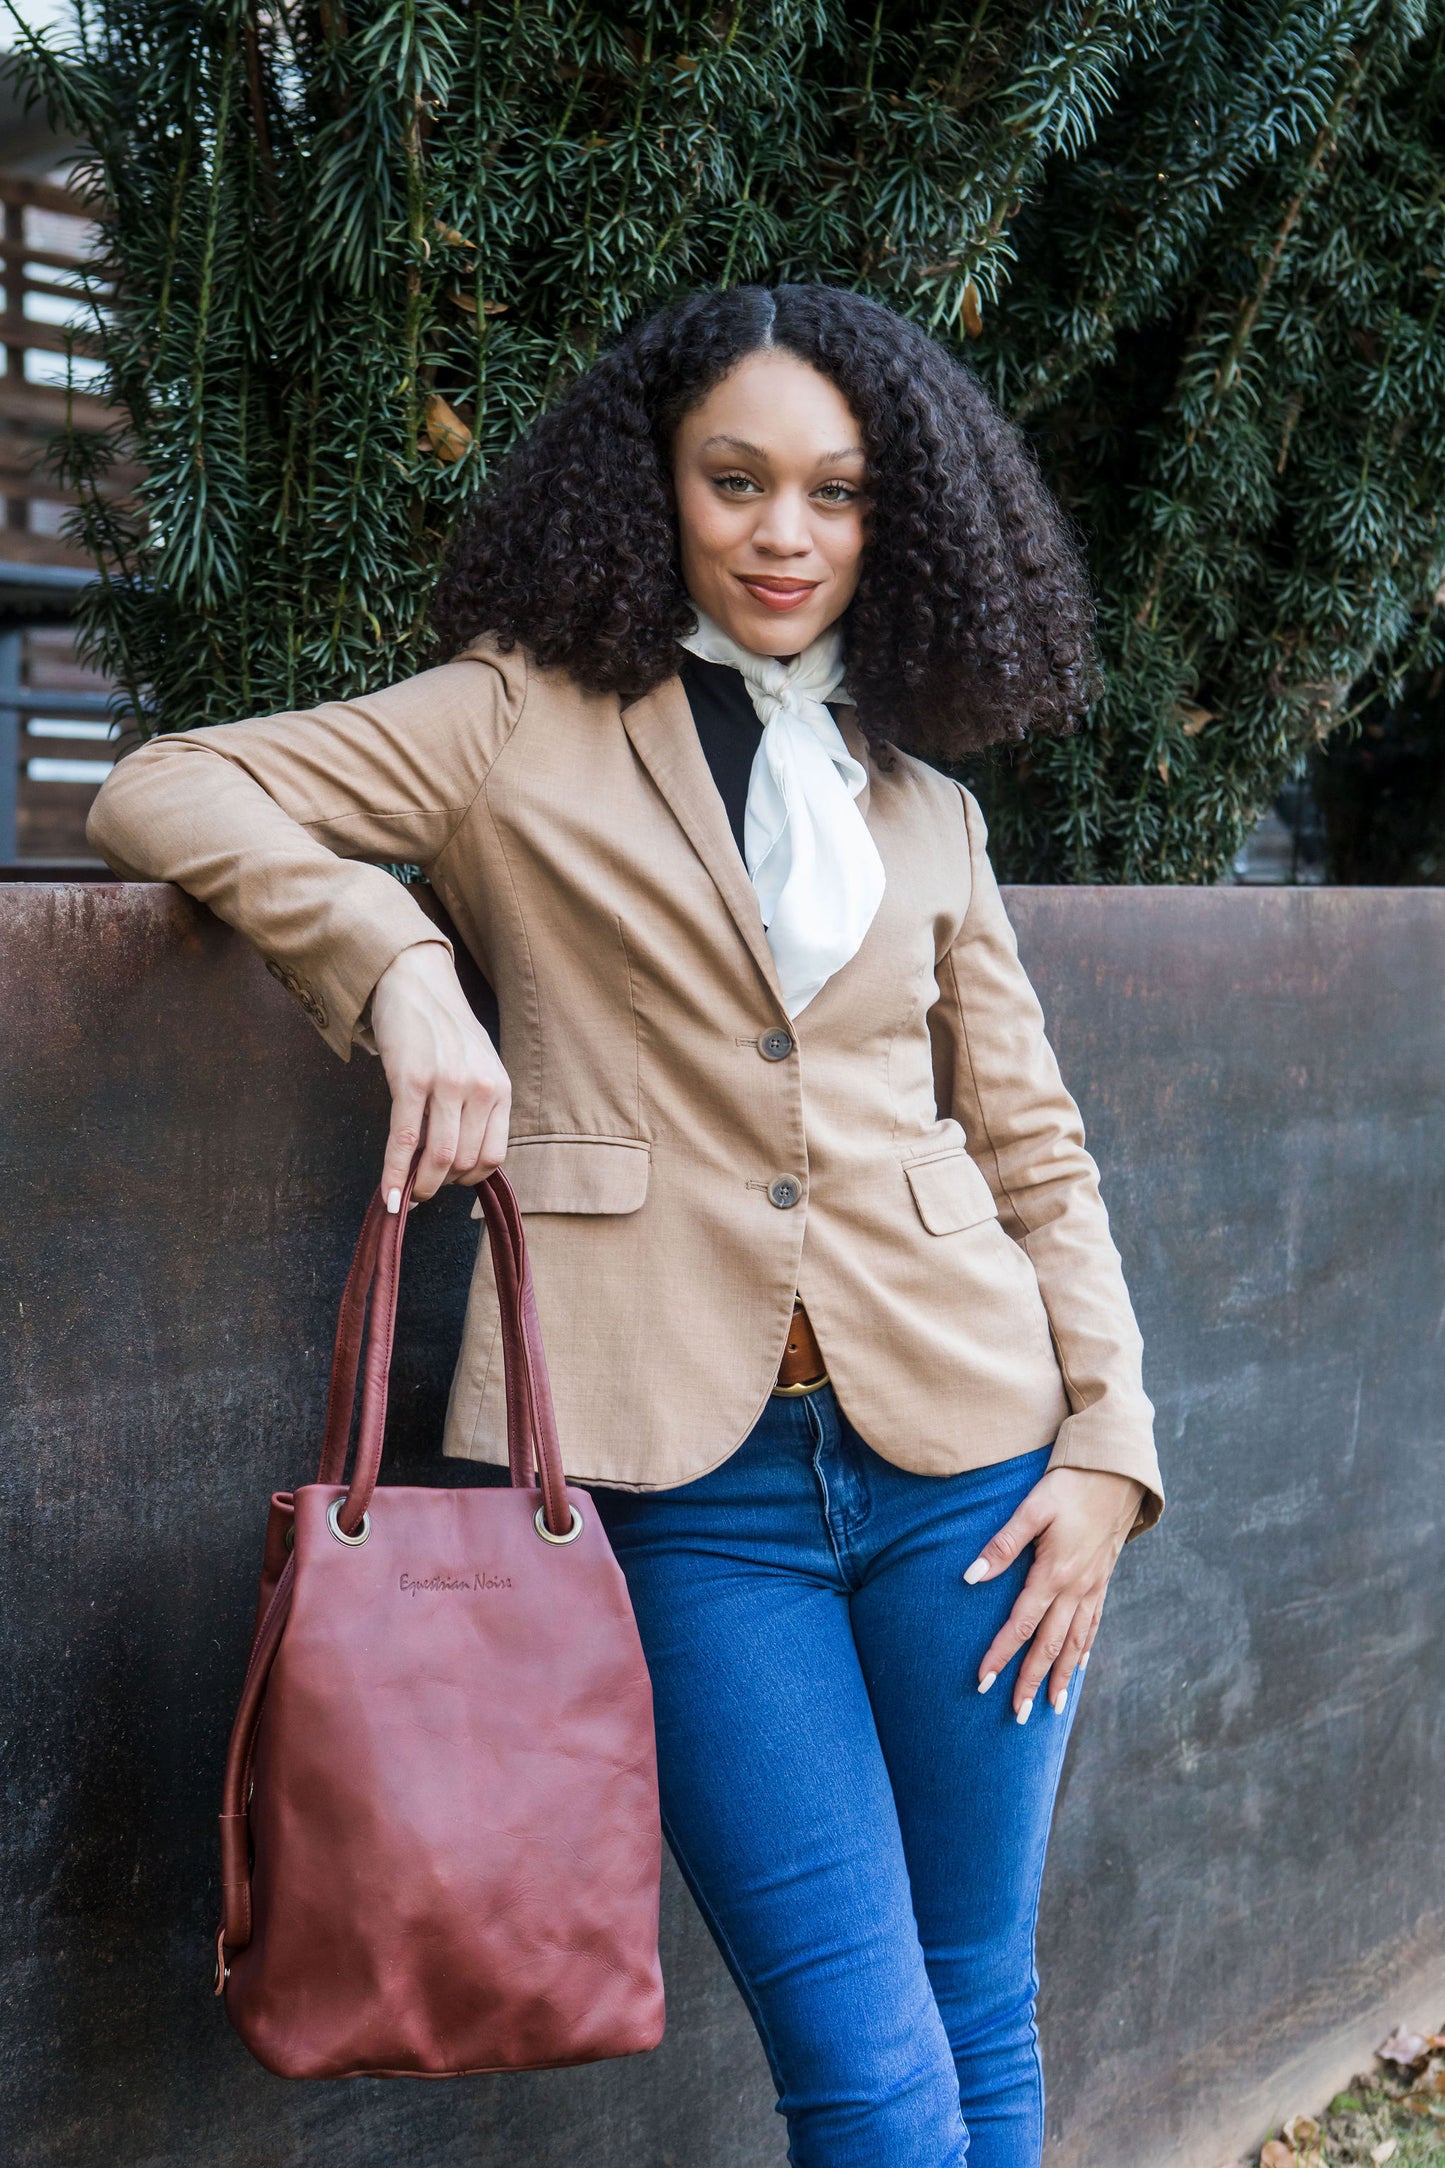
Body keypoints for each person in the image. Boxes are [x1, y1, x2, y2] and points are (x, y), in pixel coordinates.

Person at [86, 282, 1164, 2168]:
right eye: (734, 480)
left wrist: (1109, 1451)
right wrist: (400, 961)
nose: (782, 533)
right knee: (866, 2061)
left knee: (980, 1990)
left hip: (977, 1471)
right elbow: (173, 780)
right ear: (652, 487)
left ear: (890, 520)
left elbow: (1035, 1148)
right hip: (679, 1484)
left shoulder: (924, 805)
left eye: (833, 494)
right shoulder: (518, 721)